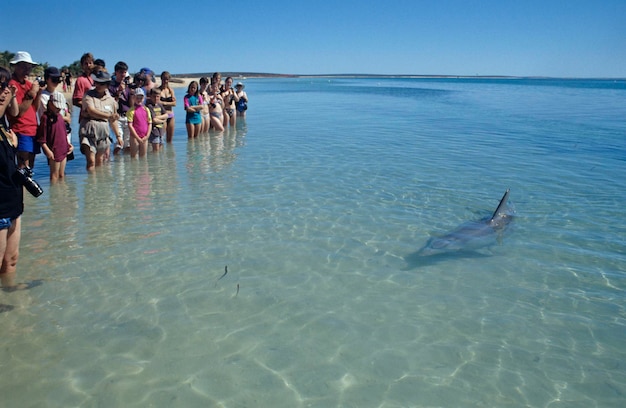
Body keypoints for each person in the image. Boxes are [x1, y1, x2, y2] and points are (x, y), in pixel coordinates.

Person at [0, 67, 41, 293]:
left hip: (13, 201)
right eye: (0, 87)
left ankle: (10, 295)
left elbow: (14, 113)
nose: (4, 92)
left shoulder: (7, 130)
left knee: (11, 260)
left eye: (6, 87)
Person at [79, 70, 123, 171]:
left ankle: (97, 184)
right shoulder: (88, 95)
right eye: (96, 82)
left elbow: (113, 120)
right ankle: (91, 185)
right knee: (91, 161)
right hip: (89, 131)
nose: (97, 85)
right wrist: (108, 116)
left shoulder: (111, 100)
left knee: (100, 161)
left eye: (101, 83)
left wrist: (118, 136)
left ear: (107, 85)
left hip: (103, 132)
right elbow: (91, 111)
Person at [7, 51, 41, 170]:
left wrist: (38, 93)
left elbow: (34, 108)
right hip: (21, 129)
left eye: (29, 67)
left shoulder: (28, 84)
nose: (27, 70)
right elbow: (18, 112)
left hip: (33, 129)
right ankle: (21, 189)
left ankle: (25, 189)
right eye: (23, 66)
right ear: (15, 66)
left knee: (30, 168)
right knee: (23, 168)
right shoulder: (12, 85)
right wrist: (32, 93)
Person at [37, 67, 73, 162]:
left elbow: (66, 111)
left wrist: (67, 117)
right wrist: (66, 118)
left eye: (58, 79)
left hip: (64, 131)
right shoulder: (43, 96)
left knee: (64, 162)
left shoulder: (60, 95)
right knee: (55, 161)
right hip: (52, 132)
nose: (57, 82)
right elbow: (50, 114)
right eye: (54, 79)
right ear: (47, 79)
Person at [37, 92, 73, 182]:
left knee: (62, 175)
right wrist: (47, 151)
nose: (58, 109)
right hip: (54, 151)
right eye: (56, 107)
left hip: (64, 148)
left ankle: (61, 194)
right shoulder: (45, 118)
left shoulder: (60, 116)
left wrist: (69, 145)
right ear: (50, 104)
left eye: (60, 107)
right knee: (54, 175)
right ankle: (54, 194)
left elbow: (64, 133)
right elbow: (42, 138)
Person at [109, 61, 131, 155]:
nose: (123, 74)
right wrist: (118, 91)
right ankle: (117, 166)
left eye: (125, 72)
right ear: (116, 72)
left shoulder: (128, 87)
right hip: (116, 117)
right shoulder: (111, 86)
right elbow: (111, 103)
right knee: (118, 144)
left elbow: (130, 103)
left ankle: (127, 166)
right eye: (121, 72)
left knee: (128, 145)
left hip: (127, 116)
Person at [126, 88, 151, 157]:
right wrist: (137, 137)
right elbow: (130, 125)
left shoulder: (146, 109)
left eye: (141, 97)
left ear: (144, 98)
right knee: (134, 157)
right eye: (137, 97)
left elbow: (149, 123)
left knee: (143, 157)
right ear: (134, 98)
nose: (139, 99)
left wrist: (147, 136)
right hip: (134, 137)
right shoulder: (131, 111)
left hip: (144, 136)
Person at [158, 71, 176, 143]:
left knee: (170, 140)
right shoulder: (158, 90)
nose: (165, 81)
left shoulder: (171, 90)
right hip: (163, 115)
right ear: (161, 79)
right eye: (164, 79)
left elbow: (174, 103)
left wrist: (164, 103)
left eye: (167, 79)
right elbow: (158, 103)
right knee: (161, 139)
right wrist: (169, 103)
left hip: (171, 115)